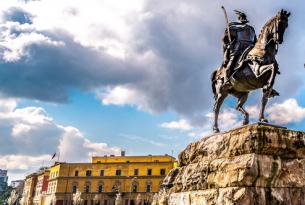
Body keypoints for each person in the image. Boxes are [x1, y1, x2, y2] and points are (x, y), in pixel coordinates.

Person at [222, 10, 257, 83]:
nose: (243, 19)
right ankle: (226, 80)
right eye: (242, 17)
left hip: (249, 47)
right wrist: (228, 33)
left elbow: (255, 41)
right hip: (239, 48)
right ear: (239, 18)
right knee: (231, 63)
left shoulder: (251, 28)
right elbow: (226, 40)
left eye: (243, 17)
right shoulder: (234, 27)